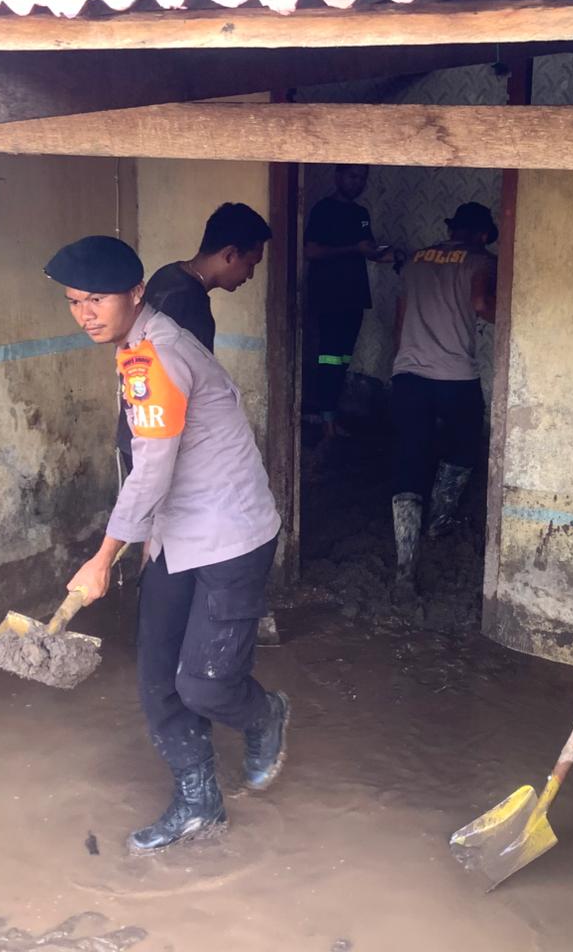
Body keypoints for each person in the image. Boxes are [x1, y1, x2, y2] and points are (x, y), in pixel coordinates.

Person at [46, 234, 288, 856]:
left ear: (135, 294)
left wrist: (103, 559)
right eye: (75, 302)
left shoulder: (158, 354)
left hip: (231, 534)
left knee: (205, 685)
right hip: (176, 534)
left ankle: (265, 716)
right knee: (157, 677)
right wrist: (149, 537)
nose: (85, 314)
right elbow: (160, 466)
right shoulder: (133, 347)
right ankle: (198, 804)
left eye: (96, 299)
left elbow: (150, 469)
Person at [389, 202, 498, 599]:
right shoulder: (480, 260)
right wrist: (516, 317)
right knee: (464, 445)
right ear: (483, 234)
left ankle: (404, 565)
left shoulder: (416, 260)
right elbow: (482, 304)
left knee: (409, 458)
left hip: (408, 375)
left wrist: (401, 365)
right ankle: (439, 521)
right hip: (455, 377)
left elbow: (400, 321)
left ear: (453, 228)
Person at [116, 203, 272, 471]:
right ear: (230, 254)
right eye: (250, 264)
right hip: (159, 443)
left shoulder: (169, 275)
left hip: (145, 434)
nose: (250, 275)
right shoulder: (185, 302)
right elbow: (170, 384)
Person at [303, 164, 394, 440]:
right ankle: (326, 422)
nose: (359, 183)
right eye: (354, 176)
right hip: (329, 296)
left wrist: (389, 254)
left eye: (363, 178)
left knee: (342, 359)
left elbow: (369, 249)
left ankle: (330, 417)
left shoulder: (361, 214)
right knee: (329, 359)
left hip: (354, 297)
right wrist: (353, 248)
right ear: (338, 176)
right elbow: (310, 251)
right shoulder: (323, 209)